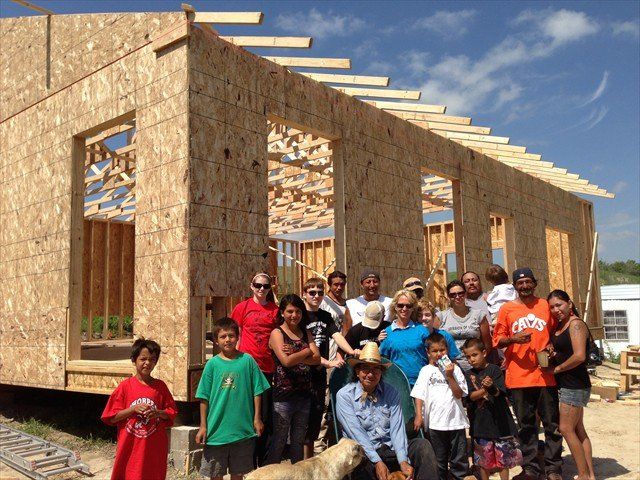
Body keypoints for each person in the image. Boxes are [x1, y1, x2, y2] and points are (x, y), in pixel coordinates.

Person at [492, 268, 562, 480]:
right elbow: (497, 340)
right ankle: (531, 468)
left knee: (552, 425)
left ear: (535, 283)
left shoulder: (545, 306)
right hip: (518, 376)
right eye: (520, 283)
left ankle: (553, 468)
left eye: (528, 282)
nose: (524, 286)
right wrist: (514, 339)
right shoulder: (507, 309)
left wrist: (551, 345)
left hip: (544, 375)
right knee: (526, 426)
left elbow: (556, 332)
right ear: (514, 286)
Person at [336, 342, 439, 480]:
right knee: (358, 461)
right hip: (365, 452)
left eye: (376, 369)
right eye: (365, 369)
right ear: (357, 371)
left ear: (381, 372)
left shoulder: (391, 392)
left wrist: (403, 460)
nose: (370, 374)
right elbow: (356, 433)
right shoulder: (344, 395)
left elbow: (397, 429)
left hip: (391, 449)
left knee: (422, 446)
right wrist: (377, 461)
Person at [195, 318, 271, 480]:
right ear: (216, 341)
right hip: (216, 433)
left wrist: (257, 419)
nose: (227, 340)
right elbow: (203, 397)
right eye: (223, 337)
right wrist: (203, 426)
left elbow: (257, 391)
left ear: (238, 337)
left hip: (242, 432)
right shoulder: (212, 365)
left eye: (231, 336)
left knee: (239, 474)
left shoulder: (247, 361)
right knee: (216, 474)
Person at [101, 338, 177, 480]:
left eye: (152, 359)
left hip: (154, 449)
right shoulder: (125, 387)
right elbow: (111, 417)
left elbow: (171, 413)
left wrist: (158, 413)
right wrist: (133, 409)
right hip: (131, 449)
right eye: (143, 359)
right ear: (134, 360)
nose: (147, 363)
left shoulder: (160, 387)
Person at [302, 278, 358, 457]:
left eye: (319, 292)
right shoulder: (299, 315)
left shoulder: (325, 316)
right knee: (303, 422)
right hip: (303, 374)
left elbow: (336, 335)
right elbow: (303, 349)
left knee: (318, 417)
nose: (316, 296)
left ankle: (315, 458)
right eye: (312, 293)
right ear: (304, 294)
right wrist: (328, 362)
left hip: (319, 374)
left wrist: (351, 351)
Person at [265, 294, 320, 465]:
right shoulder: (277, 333)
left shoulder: (305, 332)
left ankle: (296, 475)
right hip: (284, 397)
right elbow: (286, 362)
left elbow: (317, 358)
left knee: (298, 442)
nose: (294, 315)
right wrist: (305, 351)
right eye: (289, 311)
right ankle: (270, 475)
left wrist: (297, 353)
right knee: (279, 441)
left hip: (304, 396)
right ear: (282, 312)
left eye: (298, 311)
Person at [230, 272, 279, 464]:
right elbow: (232, 334)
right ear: (251, 286)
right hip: (245, 369)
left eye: (265, 286)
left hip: (266, 370)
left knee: (264, 417)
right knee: (245, 413)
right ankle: (243, 463)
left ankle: (262, 464)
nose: (261, 289)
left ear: (269, 289)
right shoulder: (242, 308)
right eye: (258, 285)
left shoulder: (275, 311)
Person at [547, 290, 595, 480]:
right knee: (578, 429)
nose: (556, 310)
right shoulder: (562, 324)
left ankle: (583, 475)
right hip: (571, 384)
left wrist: (556, 369)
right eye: (552, 307)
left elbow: (579, 356)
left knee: (566, 428)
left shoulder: (575, 325)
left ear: (569, 303)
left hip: (574, 385)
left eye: (559, 305)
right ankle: (589, 475)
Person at [412, 333, 469, 480]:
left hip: (456, 422)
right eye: (435, 351)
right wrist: (419, 415)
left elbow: (459, 394)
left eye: (442, 350)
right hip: (435, 424)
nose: (439, 354)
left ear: (447, 350)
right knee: (439, 461)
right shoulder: (426, 371)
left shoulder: (455, 369)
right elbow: (419, 394)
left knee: (459, 459)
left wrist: (449, 375)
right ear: (428, 353)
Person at [463, 338, 522, 480]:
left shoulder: (495, 370)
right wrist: (485, 389)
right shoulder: (468, 374)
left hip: (501, 424)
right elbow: (470, 397)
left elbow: (499, 393)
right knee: (483, 462)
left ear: (484, 352)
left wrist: (491, 387)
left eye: (474, 355)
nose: (471, 359)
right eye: (468, 357)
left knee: (503, 460)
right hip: (480, 425)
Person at [437, 280, 492, 371]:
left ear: (466, 294)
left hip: (475, 368)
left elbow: (487, 344)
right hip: (450, 368)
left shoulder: (478, 315)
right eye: (453, 294)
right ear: (448, 296)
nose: (457, 297)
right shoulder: (441, 317)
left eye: (460, 293)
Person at [379, 290, 430, 386]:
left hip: (422, 384)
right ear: (395, 307)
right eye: (400, 305)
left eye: (408, 306)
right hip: (398, 386)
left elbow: (432, 355)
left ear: (413, 308)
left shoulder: (422, 330)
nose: (404, 308)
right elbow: (383, 360)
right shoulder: (387, 333)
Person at [320, 270, 354, 338]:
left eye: (342, 284)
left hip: (346, 344)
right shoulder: (323, 302)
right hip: (329, 345)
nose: (339, 288)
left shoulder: (349, 304)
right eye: (336, 284)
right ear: (329, 284)